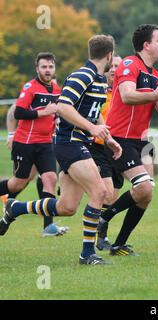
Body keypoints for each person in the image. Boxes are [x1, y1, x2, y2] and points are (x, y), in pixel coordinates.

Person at [0, 35, 122, 265]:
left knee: (67, 207)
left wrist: (108, 139)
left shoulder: (99, 80)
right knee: (99, 192)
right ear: (108, 56)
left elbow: (91, 117)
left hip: (78, 143)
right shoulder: (82, 75)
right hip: (69, 143)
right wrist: (92, 128)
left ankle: (15, 208)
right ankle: (87, 254)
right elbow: (64, 107)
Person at [97, 24, 158, 257]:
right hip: (119, 138)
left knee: (146, 195)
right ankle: (103, 218)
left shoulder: (156, 76)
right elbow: (127, 95)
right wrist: (157, 94)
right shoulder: (129, 64)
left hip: (140, 142)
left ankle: (119, 244)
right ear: (146, 45)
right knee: (142, 187)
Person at [0, 53, 68, 237]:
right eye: (44, 67)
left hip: (46, 143)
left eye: (50, 67)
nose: (47, 70)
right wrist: (43, 113)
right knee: (18, 184)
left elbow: (57, 113)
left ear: (54, 69)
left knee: (50, 179)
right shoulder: (30, 87)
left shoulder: (56, 89)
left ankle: (48, 227)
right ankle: (9, 210)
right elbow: (19, 112)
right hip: (25, 143)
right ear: (37, 69)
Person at [89, 53, 124, 251]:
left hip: (118, 146)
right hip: (98, 145)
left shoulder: (126, 92)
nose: (113, 69)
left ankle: (101, 234)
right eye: (110, 66)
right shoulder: (99, 89)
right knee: (107, 193)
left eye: (117, 66)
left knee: (112, 198)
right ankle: (97, 237)